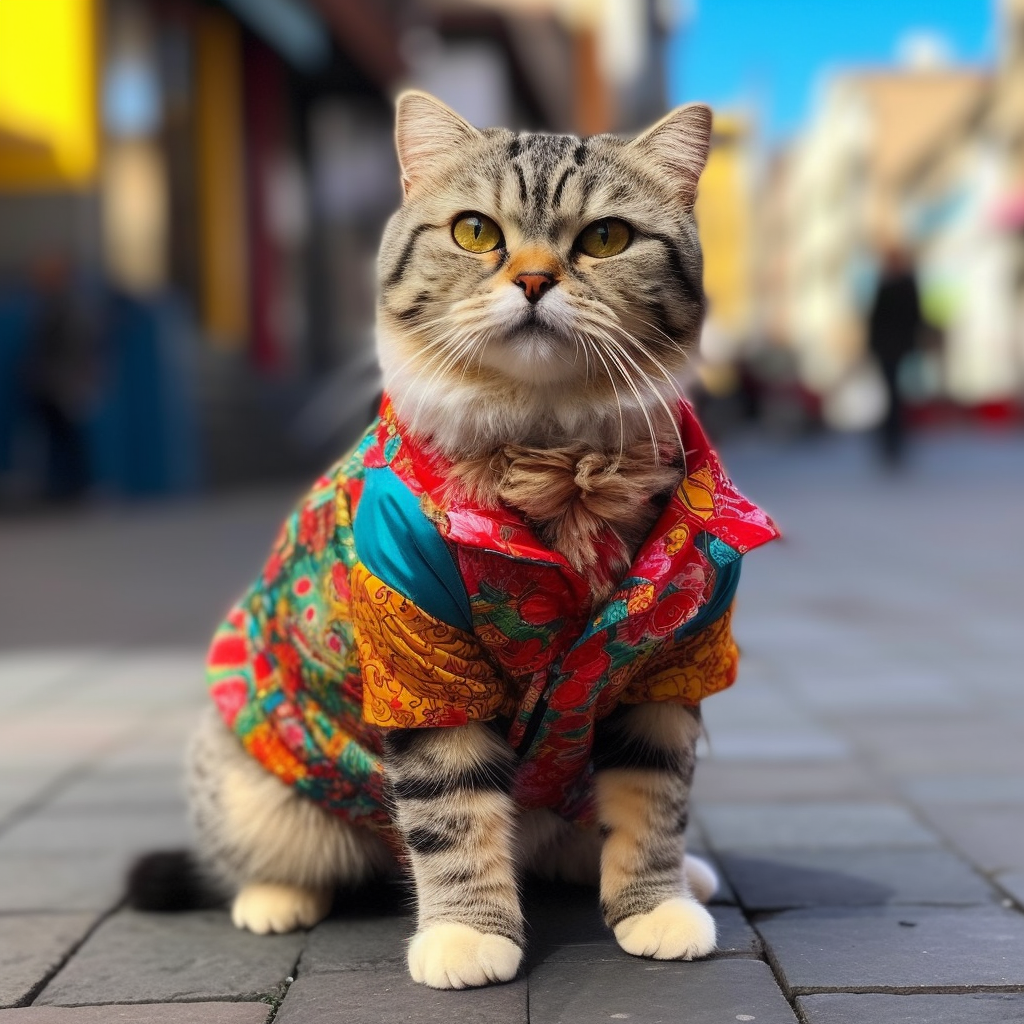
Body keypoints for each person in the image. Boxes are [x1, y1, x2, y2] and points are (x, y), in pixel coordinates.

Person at [867, 244, 922, 466]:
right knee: (891, 396)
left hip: (894, 348)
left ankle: (893, 440)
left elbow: (912, 317)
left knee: (893, 396)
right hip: (889, 348)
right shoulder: (893, 284)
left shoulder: (899, 284)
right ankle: (891, 440)